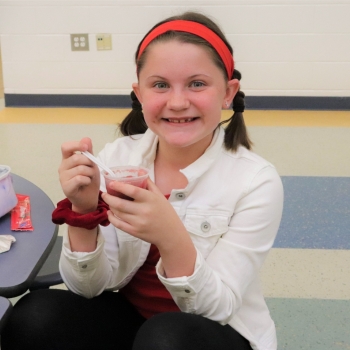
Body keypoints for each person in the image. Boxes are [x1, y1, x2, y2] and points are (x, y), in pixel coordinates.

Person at [1, 11, 283, 350]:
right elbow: (87, 288)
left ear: (228, 91)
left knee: (165, 339)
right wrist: (82, 211)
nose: (177, 102)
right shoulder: (117, 159)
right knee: (36, 315)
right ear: (140, 93)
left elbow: (217, 307)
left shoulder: (256, 181)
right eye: (160, 85)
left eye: (197, 83)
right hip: (138, 323)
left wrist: (169, 235)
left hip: (212, 332)